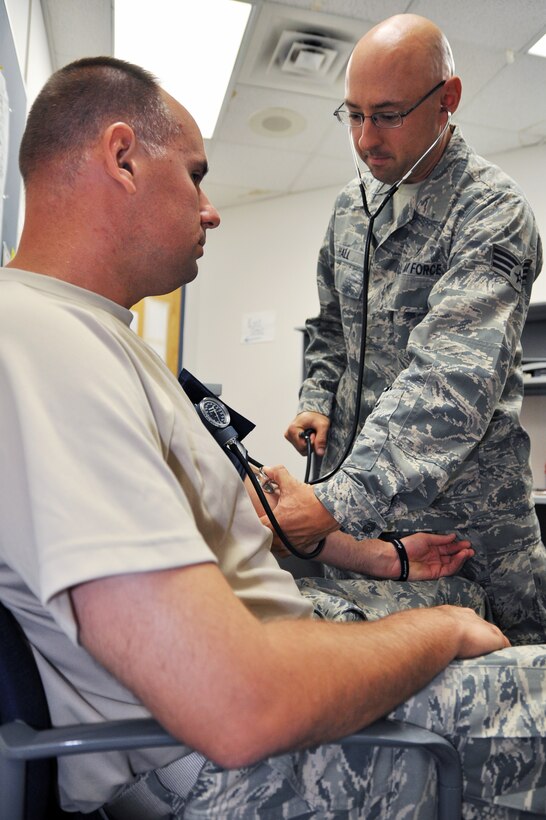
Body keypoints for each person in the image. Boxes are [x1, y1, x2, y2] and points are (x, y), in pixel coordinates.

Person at [0, 56, 545, 820]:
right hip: (244, 762)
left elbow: (447, 384)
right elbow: (235, 701)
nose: (211, 209)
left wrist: (371, 551)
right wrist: (437, 631)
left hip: (279, 648)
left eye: (384, 114)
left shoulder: (91, 335)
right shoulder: (42, 347)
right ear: (122, 158)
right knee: (480, 630)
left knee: (477, 596)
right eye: (195, 175)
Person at [283, 13, 546, 646]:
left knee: (506, 682)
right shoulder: (355, 204)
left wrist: (334, 503)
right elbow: (331, 326)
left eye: (388, 115)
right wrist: (318, 398)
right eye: (352, 114)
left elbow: (451, 381)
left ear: (446, 101)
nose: (365, 138)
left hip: (469, 519)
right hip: (368, 507)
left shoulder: (492, 211)